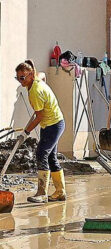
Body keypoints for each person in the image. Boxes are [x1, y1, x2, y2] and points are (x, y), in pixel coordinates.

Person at [15, 60, 66, 204]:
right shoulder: (36, 79)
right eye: (18, 78)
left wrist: (26, 132)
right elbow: (42, 75)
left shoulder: (35, 92)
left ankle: (42, 193)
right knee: (51, 157)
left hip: (53, 125)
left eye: (22, 78)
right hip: (52, 123)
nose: (20, 81)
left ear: (31, 75)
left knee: (41, 153)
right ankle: (60, 192)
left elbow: (40, 116)